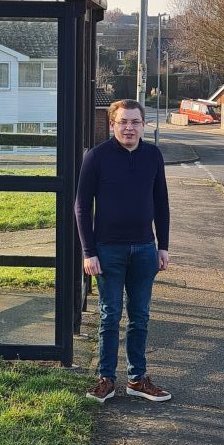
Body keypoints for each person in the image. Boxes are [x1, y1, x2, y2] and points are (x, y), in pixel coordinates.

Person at [74, 98, 171, 404]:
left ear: (144, 125)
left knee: (140, 316)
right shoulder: (97, 157)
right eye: (123, 122)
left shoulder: (153, 156)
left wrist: (163, 246)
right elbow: (81, 207)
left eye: (135, 122)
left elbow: (161, 204)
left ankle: (137, 379)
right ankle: (106, 379)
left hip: (144, 248)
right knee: (109, 315)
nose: (129, 128)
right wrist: (88, 252)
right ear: (112, 124)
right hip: (107, 250)